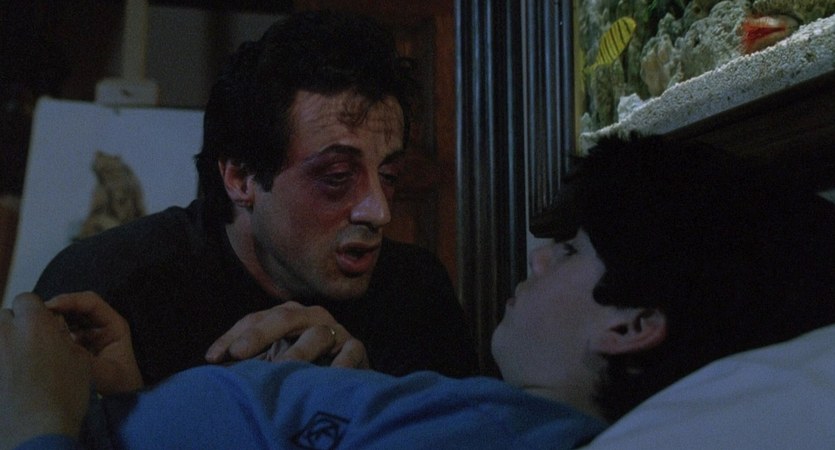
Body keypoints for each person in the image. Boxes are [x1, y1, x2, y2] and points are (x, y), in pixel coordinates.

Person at [4, 134, 835, 449]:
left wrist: (36, 424)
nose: (537, 258)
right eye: (335, 177)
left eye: (569, 251)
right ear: (240, 181)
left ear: (630, 324)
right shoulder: (128, 266)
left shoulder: (510, 428)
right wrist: (125, 404)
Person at [31, 10, 477, 385]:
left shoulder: (417, 294)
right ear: (241, 179)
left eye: (389, 175)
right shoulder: (111, 287)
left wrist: (367, 402)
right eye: (338, 177)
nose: (378, 211)